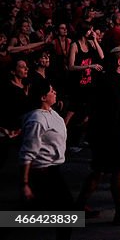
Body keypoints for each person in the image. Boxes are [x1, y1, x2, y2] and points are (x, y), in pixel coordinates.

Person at [75, 46, 120, 223]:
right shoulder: (107, 80)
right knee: (118, 169)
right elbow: (99, 107)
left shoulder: (113, 78)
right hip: (105, 134)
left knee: (98, 171)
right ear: (119, 61)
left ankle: (78, 207)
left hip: (105, 133)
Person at [20, 79, 74, 240]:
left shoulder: (52, 113)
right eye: (51, 91)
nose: (55, 92)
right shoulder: (37, 119)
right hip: (42, 172)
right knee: (66, 210)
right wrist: (25, 183)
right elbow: (27, 153)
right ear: (43, 97)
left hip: (53, 170)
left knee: (45, 209)